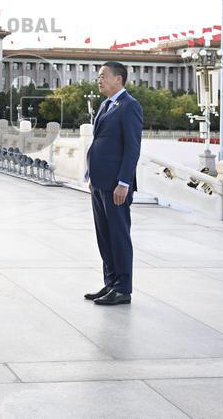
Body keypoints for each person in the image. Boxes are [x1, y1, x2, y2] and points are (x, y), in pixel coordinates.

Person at [84, 61, 143, 306]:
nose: (99, 80)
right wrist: (90, 175)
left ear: (118, 79)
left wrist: (124, 182)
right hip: (99, 182)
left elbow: (132, 147)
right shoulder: (105, 105)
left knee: (118, 236)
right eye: (98, 76)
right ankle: (110, 283)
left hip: (116, 185)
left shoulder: (130, 106)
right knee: (104, 236)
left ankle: (122, 288)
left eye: (103, 76)